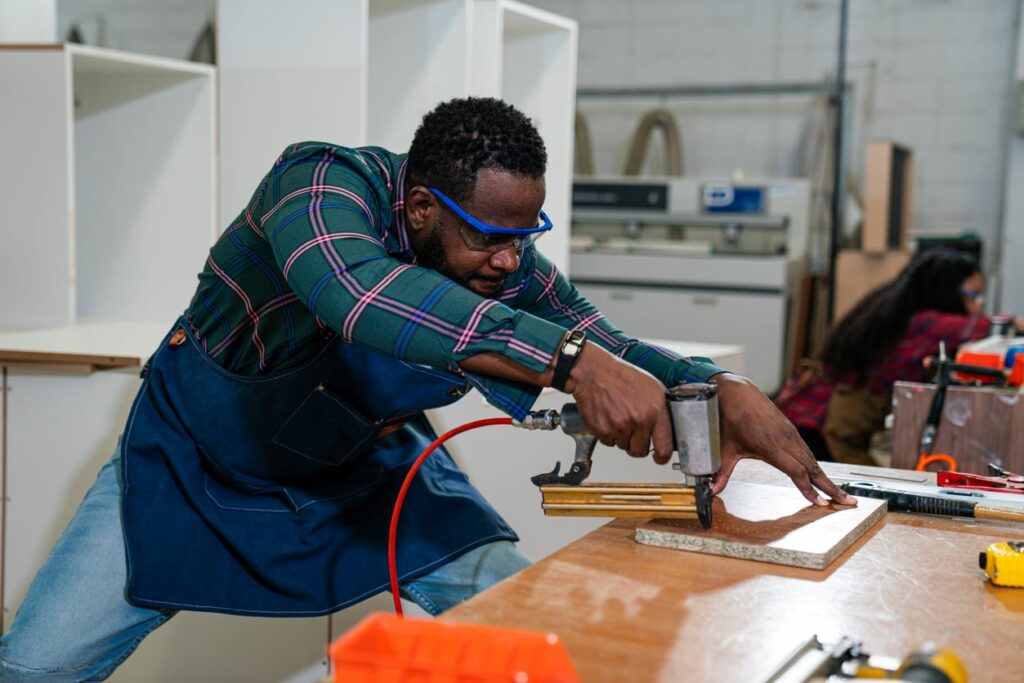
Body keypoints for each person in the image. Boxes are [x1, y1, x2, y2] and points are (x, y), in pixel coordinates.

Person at [0, 97, 854, 681]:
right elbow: (364, 298)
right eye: (492, 237)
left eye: (527, 236)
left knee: (524, 632)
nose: (511, 261)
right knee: (35, 665)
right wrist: (570, 366)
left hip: (364, 471)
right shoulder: (317, 187)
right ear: (417, 208)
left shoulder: (495, 252)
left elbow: (596, 335)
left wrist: (711, 384)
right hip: (195, 466)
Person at [777, 248, 1023, 465]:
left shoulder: (893, 305)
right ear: (945, 290)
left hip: (811, 411)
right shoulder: (926, 322)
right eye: (973, 296)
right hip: (816, 425)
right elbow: (993, 327)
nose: (978, 305)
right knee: (864, 491)